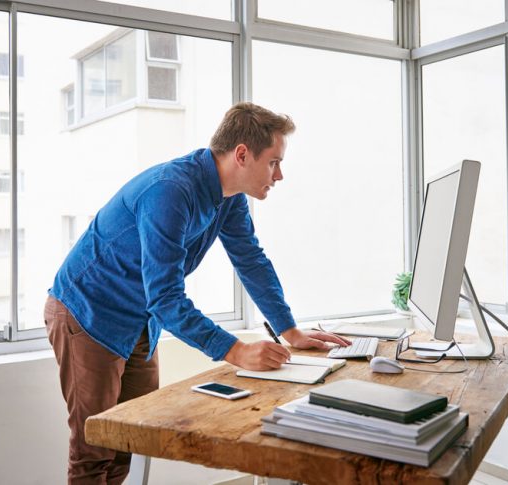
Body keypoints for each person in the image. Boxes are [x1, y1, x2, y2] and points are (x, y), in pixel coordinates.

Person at [44, 102, 350, 484]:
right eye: (274, 162)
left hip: (140, 319)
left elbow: (250, 260)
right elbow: (167, 298)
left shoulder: (229, 196)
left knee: (129, 439)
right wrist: (237, 351)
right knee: (94, 450)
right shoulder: (170, 192)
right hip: (88, 314)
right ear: (242, 154)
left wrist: (290, 331)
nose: (280, 175)